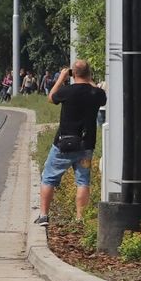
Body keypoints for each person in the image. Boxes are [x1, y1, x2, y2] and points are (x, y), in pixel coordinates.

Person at [37, 60, 106, 226]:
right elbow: (101, 96)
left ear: (73, 74)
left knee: (48, 178)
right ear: (89, 74)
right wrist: (89, 79)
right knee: (83, 181)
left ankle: (44, 216)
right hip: (86, 146)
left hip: (64, 144)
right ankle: (80, 218)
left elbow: (51, 98)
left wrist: (61, 78)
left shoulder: (67, 91)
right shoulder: (96, 93)